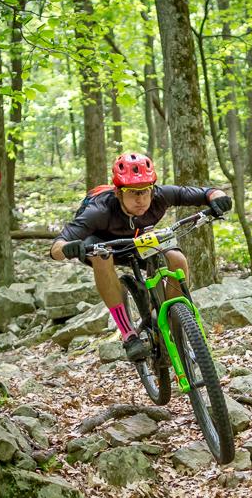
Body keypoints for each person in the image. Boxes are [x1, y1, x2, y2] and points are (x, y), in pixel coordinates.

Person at [50, 153, 232, 361]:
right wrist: (67, 249)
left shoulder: (160, 195)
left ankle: (171, 323)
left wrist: (218, 198)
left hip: (138, 239)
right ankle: (128, 334)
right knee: (102, 256)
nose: (141, 199)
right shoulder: (98, 211)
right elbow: (56, 246)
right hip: (102, 243)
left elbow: (206, 192)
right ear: (118, 192)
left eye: (145, 191)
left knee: (177, 260)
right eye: (132, 193)